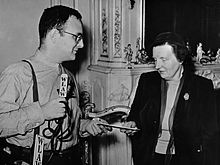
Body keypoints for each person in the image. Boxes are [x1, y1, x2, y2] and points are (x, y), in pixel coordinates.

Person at [0, 5, 110, 165]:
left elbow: (66, 123)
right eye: (76, 37)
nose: (82, 45)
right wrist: (41, 112)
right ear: (53, 35)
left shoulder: (69, 76)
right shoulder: (18, 73)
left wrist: (85, 126)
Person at [121, 32, 219, 165]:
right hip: (149, 157)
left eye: (163, 59)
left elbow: (210, 134)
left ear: (180, 58)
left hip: (187, 159)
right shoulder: (147, 81)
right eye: (155, 60)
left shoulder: (201, 87)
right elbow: (135, 116)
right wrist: (132, 124)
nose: (157, 66)